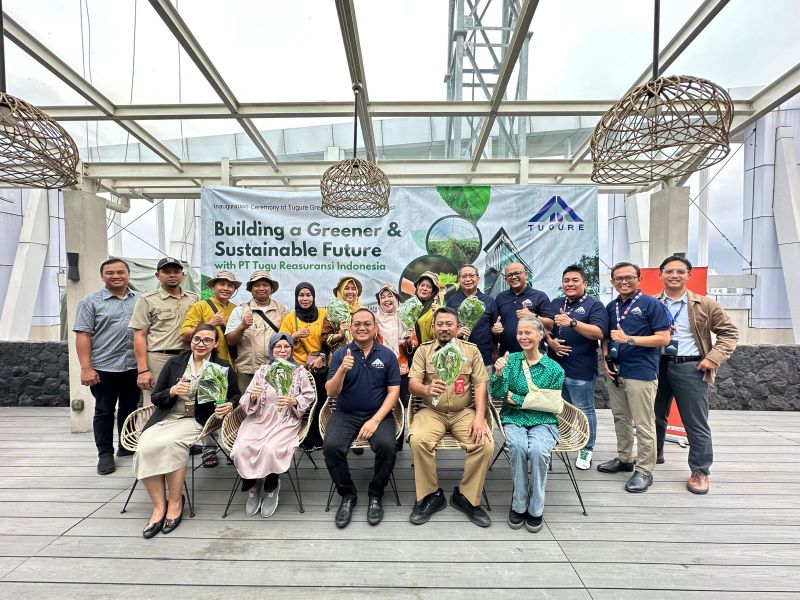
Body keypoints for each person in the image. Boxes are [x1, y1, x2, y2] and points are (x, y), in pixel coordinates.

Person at [135, 324, 239, 538]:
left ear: (216, 343)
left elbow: (236, 396)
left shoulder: (221, 366)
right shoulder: (176, 362)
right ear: (191, 341)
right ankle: (158, 507)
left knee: (173, 444)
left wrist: (229, 404)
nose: (201, 344)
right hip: (169, 415)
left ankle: (175, 502)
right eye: (197, 339)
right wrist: (172, 391)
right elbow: (156, 397)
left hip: (198, 419)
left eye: (207, 340)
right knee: (144, 445)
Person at [654, 255, 739, 494]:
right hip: (655, 366)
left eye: (680, 271)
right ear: (661, 275)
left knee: (695, 422)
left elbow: (730, 334)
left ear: (688, 275)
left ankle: (700, 470)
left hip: (690, 367)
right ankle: (654, 454)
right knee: (653, 416)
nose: (674, 275)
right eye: (669, 271)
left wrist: (712, 358)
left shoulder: (706, 304)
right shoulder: (651, 303)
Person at [408, 307, 493, 528]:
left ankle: (466, 497)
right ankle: (430, 496)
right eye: (440, 324)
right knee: (418, 440)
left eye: (449, 324)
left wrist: (480, 417)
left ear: (457, 327)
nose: (444, 328)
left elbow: (480, 384)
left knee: (484, 444)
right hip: (431, 412)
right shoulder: (423, 351)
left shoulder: (471, 351)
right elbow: (412, 383)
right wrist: (426, 389)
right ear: (433, 327)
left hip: (463, 412)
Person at [323, 308, 400, 528]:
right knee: (331, 447)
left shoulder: (387, 355)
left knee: (387, 446)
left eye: (367, 323)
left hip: (378, 414)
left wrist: (375, 420)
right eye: (357, 324)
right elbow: (330, 392)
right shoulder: (341, 354)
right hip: (346, 413)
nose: (362, 328)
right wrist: (341, 371)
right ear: (350, 327)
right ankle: (348, 495)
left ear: (375, 328)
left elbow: (393, 393)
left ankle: (375, 494)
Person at [598, 262, 670, 493]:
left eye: (629, 277)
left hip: (641, 372)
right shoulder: (611, 307)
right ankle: (624, 458)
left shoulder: (652, 304)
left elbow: (663, 338)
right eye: (618, 278)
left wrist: (629, 339)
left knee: (644, 421)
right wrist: (606, 359)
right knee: (620, 417)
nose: (624, 281)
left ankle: (645, 470)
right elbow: (606, 338)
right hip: (616, 371)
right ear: (612, 282)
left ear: (639, 279)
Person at [489, 316, 562, 533]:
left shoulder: (554, 368)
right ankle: (519, 503)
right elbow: (499, 394)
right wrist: (499, 374)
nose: (523, 337)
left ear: (540, 335)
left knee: (539, 450)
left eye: (528, 332)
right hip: (513, 418)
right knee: (519, 447)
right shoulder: (511, 361)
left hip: (544, 421)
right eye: (520, 333)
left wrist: (519, 399)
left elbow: (550, 404)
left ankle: (536, 506)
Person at [233, 333, 316, 517]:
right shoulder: (262, 371)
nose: (282, 350)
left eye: (287, 347)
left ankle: (271, 486)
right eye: (278, 347)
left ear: (292, 349)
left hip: (285, 419)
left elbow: (309, 396)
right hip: (259, 418)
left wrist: (295, 399)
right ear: (271, 350)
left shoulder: (299, 371)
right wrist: (253, 396)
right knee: (243, 448)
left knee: (271, 448)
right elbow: (245, 398)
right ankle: (252, 487)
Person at [74, 258, 140, 475]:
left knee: (129, 409)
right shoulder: (90, 302)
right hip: (104, 367)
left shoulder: (140, 300)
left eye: (120, 272)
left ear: (128, 274)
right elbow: (83, 335)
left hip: (133, 366)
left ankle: (126, 445)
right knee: (104, 411)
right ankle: (104, 453)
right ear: (102, 276)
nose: (116, 276)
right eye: (110, 273)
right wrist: (85, 368)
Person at [546, 265, 608, 470]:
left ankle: (586, 448)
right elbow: (545, 328)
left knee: (584, 409)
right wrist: (550, 342)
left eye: (575, 280)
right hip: (555, 367)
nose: (570, 284)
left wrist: (572, 322)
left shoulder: (594, 305)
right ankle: (563, 438)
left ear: (585, 283)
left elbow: (598, 333)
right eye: (566, 280)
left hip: (581, 369)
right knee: (559, 407)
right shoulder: (556, 303)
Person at [130, 257, 197, 408]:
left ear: (182, 275)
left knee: (186, 400)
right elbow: (139, 335)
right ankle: (150, 432)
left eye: (176, 271)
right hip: (159, 358)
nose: (172, 275)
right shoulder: (147, 300)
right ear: (157, 275)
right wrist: (142, 370)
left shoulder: (193, 299)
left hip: (187, 357)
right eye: (166, 272)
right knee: (155, 403)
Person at [280, 282, 328, 451]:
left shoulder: (323, 314)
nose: (305, 299)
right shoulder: (290, 318)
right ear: (296, 297)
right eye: (301, 295)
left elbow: (329, 339)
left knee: (321, 401)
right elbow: (281, 344)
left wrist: (322, 356)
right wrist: (295, 336)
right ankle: (305, 437)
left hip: (321, 366)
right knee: (304, 404)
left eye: (308, 295)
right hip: (300, 370)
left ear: (314, 297)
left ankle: (319, 435)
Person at [225, 271, 287, 394]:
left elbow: (287, 340)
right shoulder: (240, 310)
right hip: (247, 371)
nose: (261, 288)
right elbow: (230, 341)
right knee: (246, 408)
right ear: (251, 289)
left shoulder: (282, 310)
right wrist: (242, 326)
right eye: (257, 285)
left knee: (274, 407)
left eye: (265, 285)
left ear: (271, 288)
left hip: (275, 369)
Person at [180, 270, 240, 366]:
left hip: (231, 364)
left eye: (230, 285)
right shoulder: (199, 306)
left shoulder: (236, 309)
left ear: (234, 289)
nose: (226, 288)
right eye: (221, 284)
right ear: (213, 287)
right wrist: (210, 324)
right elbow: (184, 336)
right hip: (206, 363)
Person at [446, 264, 499, 372]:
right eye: (464, 276)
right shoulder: (452, 301)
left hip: (484, 358)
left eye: (471, 275)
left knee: (483, 389)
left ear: (478, 279)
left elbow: (494, 330)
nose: (468, 279)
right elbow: (445, 328)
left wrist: (496, 330)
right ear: (459, 280)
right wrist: (456, 332)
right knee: (459, 389)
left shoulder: (489, 301)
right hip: (458, 357)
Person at [494, 262, 554, 356]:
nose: (513, 277)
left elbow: (550, 325)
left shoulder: (539, 296)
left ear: (525, 275)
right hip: (506, 356)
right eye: (509, 275)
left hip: (534, 356)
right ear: (505, 279)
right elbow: (495, 326)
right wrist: (495, 329)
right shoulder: (500, 298)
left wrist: (533, 316)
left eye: (517, 273)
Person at [321, 276, 364, 357]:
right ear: (340, 291)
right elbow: (324, 338)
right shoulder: (332, 312)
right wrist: (339, 335)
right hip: (339, 359)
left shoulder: (364, 311)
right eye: (346, 288)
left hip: (362, 358)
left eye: (353, 289)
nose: (350, 292)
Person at [411, 271, 440, 344]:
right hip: (410, 352)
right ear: (418, 287)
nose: (424, 288)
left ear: (433, 291)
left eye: (429, 287)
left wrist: (438, 315)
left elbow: (439, 336)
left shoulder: (437, 309)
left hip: (428, 352)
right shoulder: (408, 306)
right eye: (422, 285)